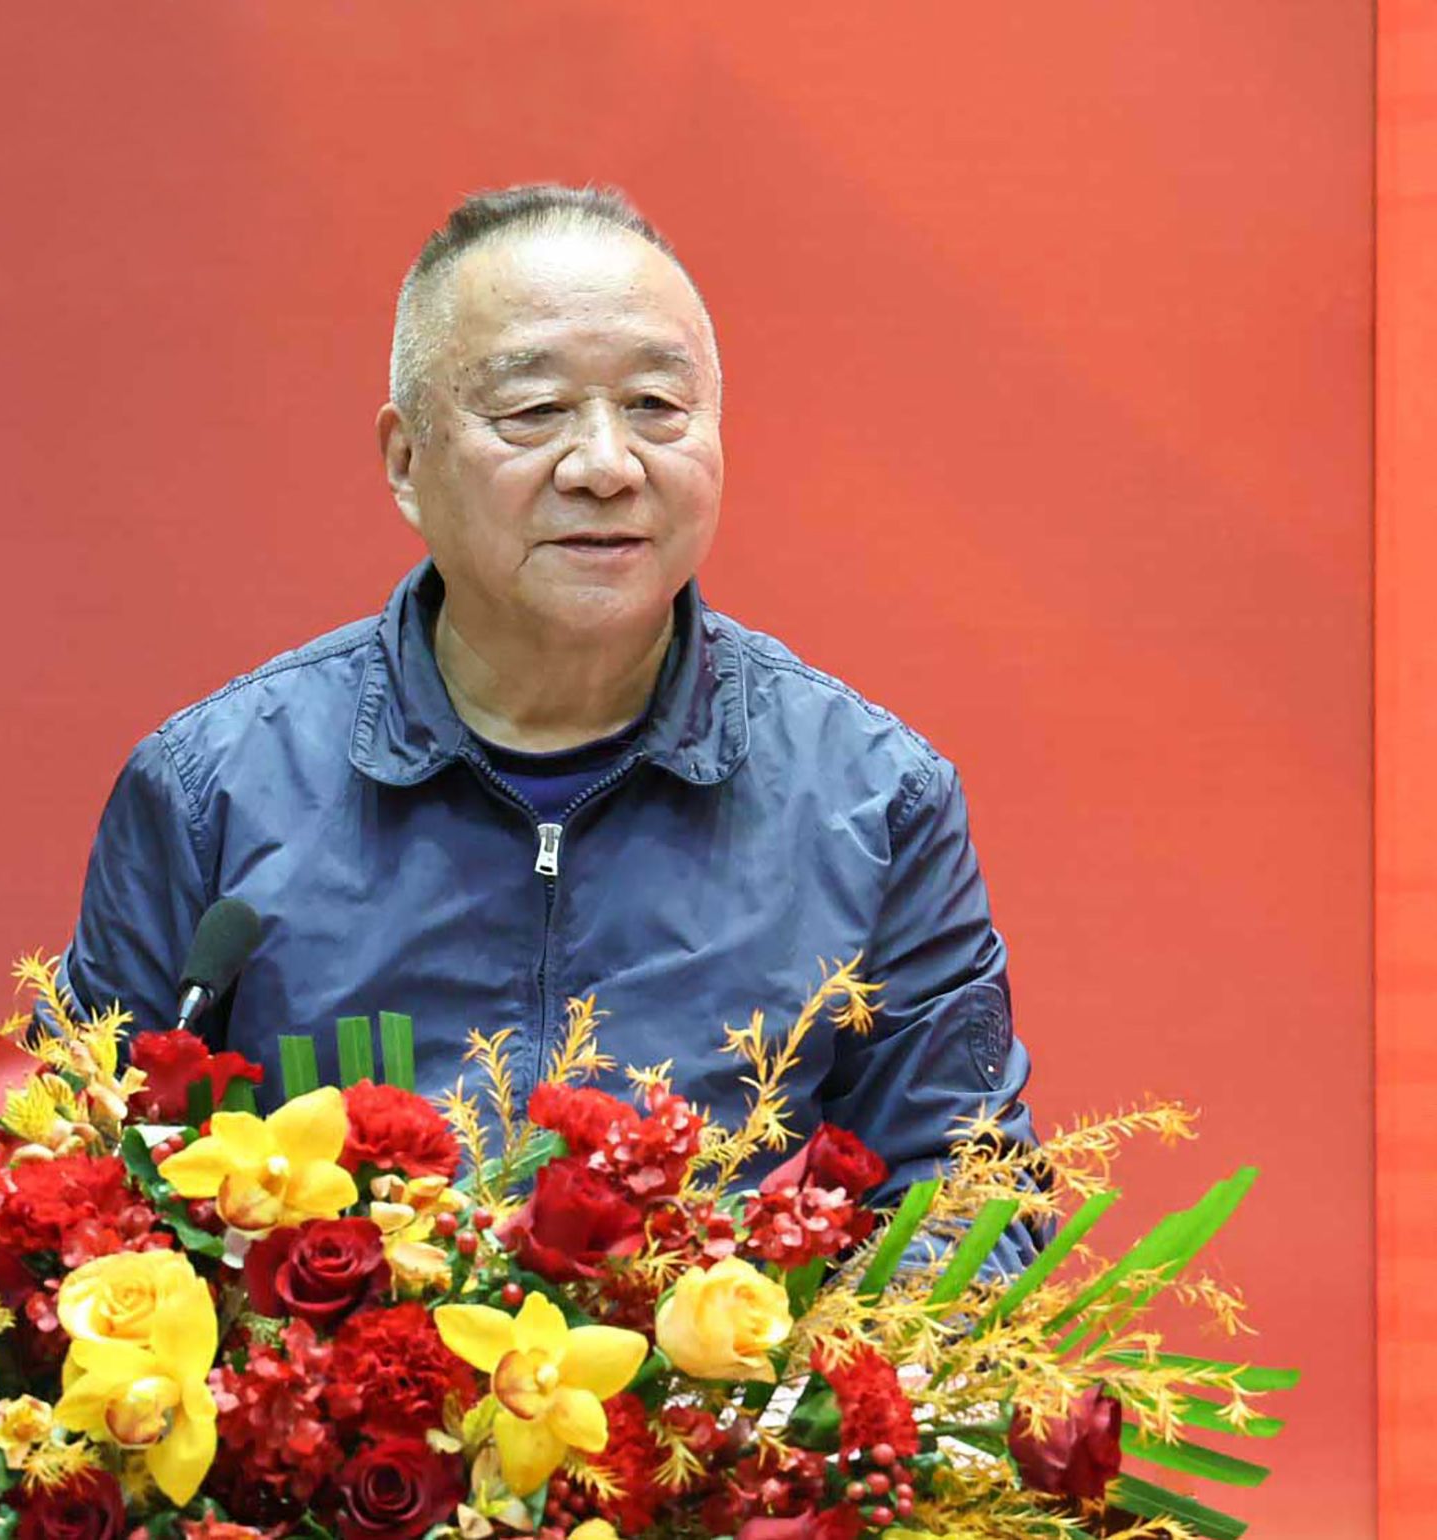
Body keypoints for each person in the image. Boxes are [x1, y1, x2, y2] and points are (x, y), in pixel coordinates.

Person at [57, 184, 1046, 1270]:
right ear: (406, 461)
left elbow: (969, 1206)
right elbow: (72, 1190)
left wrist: (760, 1357)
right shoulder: (212, 791)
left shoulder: (874, 802)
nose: (607, 466)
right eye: (533, 413)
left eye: (657, 405)